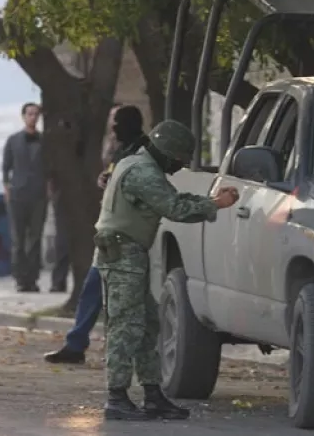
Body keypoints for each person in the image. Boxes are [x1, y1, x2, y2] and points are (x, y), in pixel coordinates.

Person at [94, 119, 239, 421]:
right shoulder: (143, 172)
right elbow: (175, 209)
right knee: (125, 327)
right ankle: (116, 398)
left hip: (129, 255)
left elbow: (174, 199)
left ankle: (152, 395)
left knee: (147, 325)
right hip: (123, 256)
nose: (179, 166)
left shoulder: (136, 163)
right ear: (167, 153)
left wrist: (211, 200)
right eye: (178, 160)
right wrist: (217, 205)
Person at [44, 104, 148, 364]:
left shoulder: (143, 152)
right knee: (93, 287)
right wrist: (105, 178)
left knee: (134, 299)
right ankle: (76, 344)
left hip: (130, 234)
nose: (112, 129)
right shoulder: (122, 150)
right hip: (110, 233)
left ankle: (137, 355)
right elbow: (114, 177)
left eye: (116, 123)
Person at [2, 103, 49, 293]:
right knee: (18, 240)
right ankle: (20, 278)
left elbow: (50, 166)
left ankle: (33, 278)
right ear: (23, 116)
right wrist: (7, 188)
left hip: (38, 194)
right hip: (18, 194)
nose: (33, 117)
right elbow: (6, 167)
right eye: (30, 114)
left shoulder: (45, 141)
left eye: (36, 114)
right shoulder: (13, 140)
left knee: (35, 239)